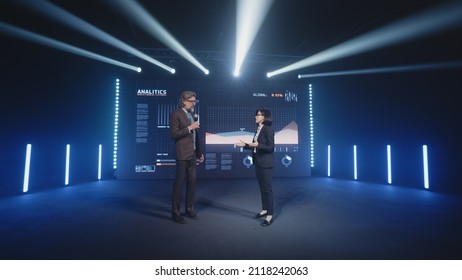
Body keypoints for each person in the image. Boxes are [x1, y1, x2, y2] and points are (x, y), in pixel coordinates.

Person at [170, 91, 204, 224]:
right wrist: (190, 127)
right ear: (184, 101)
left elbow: (196, 136)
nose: (193, 103)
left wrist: (199, 152)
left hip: (192, 154)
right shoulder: (176, 114)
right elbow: (174, 134)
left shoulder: (192, 115)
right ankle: (175, 213)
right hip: (182, 154)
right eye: (192, 101)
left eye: (195, 101)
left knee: (192, 182)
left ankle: (189, 210)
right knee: (179, 184)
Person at [236, 109, 275, 226]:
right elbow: (255, 146)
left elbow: (271, 147)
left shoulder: (268, 129)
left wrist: (258, 144)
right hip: (258, 162)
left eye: (258, 115)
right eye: (256, 114)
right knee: (262, 188)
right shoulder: (258, 130)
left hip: (266, 163)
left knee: (267, 189)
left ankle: (270, 216)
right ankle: (264, 209)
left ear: (264, 117)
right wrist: (246, 145)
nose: (255, 116)